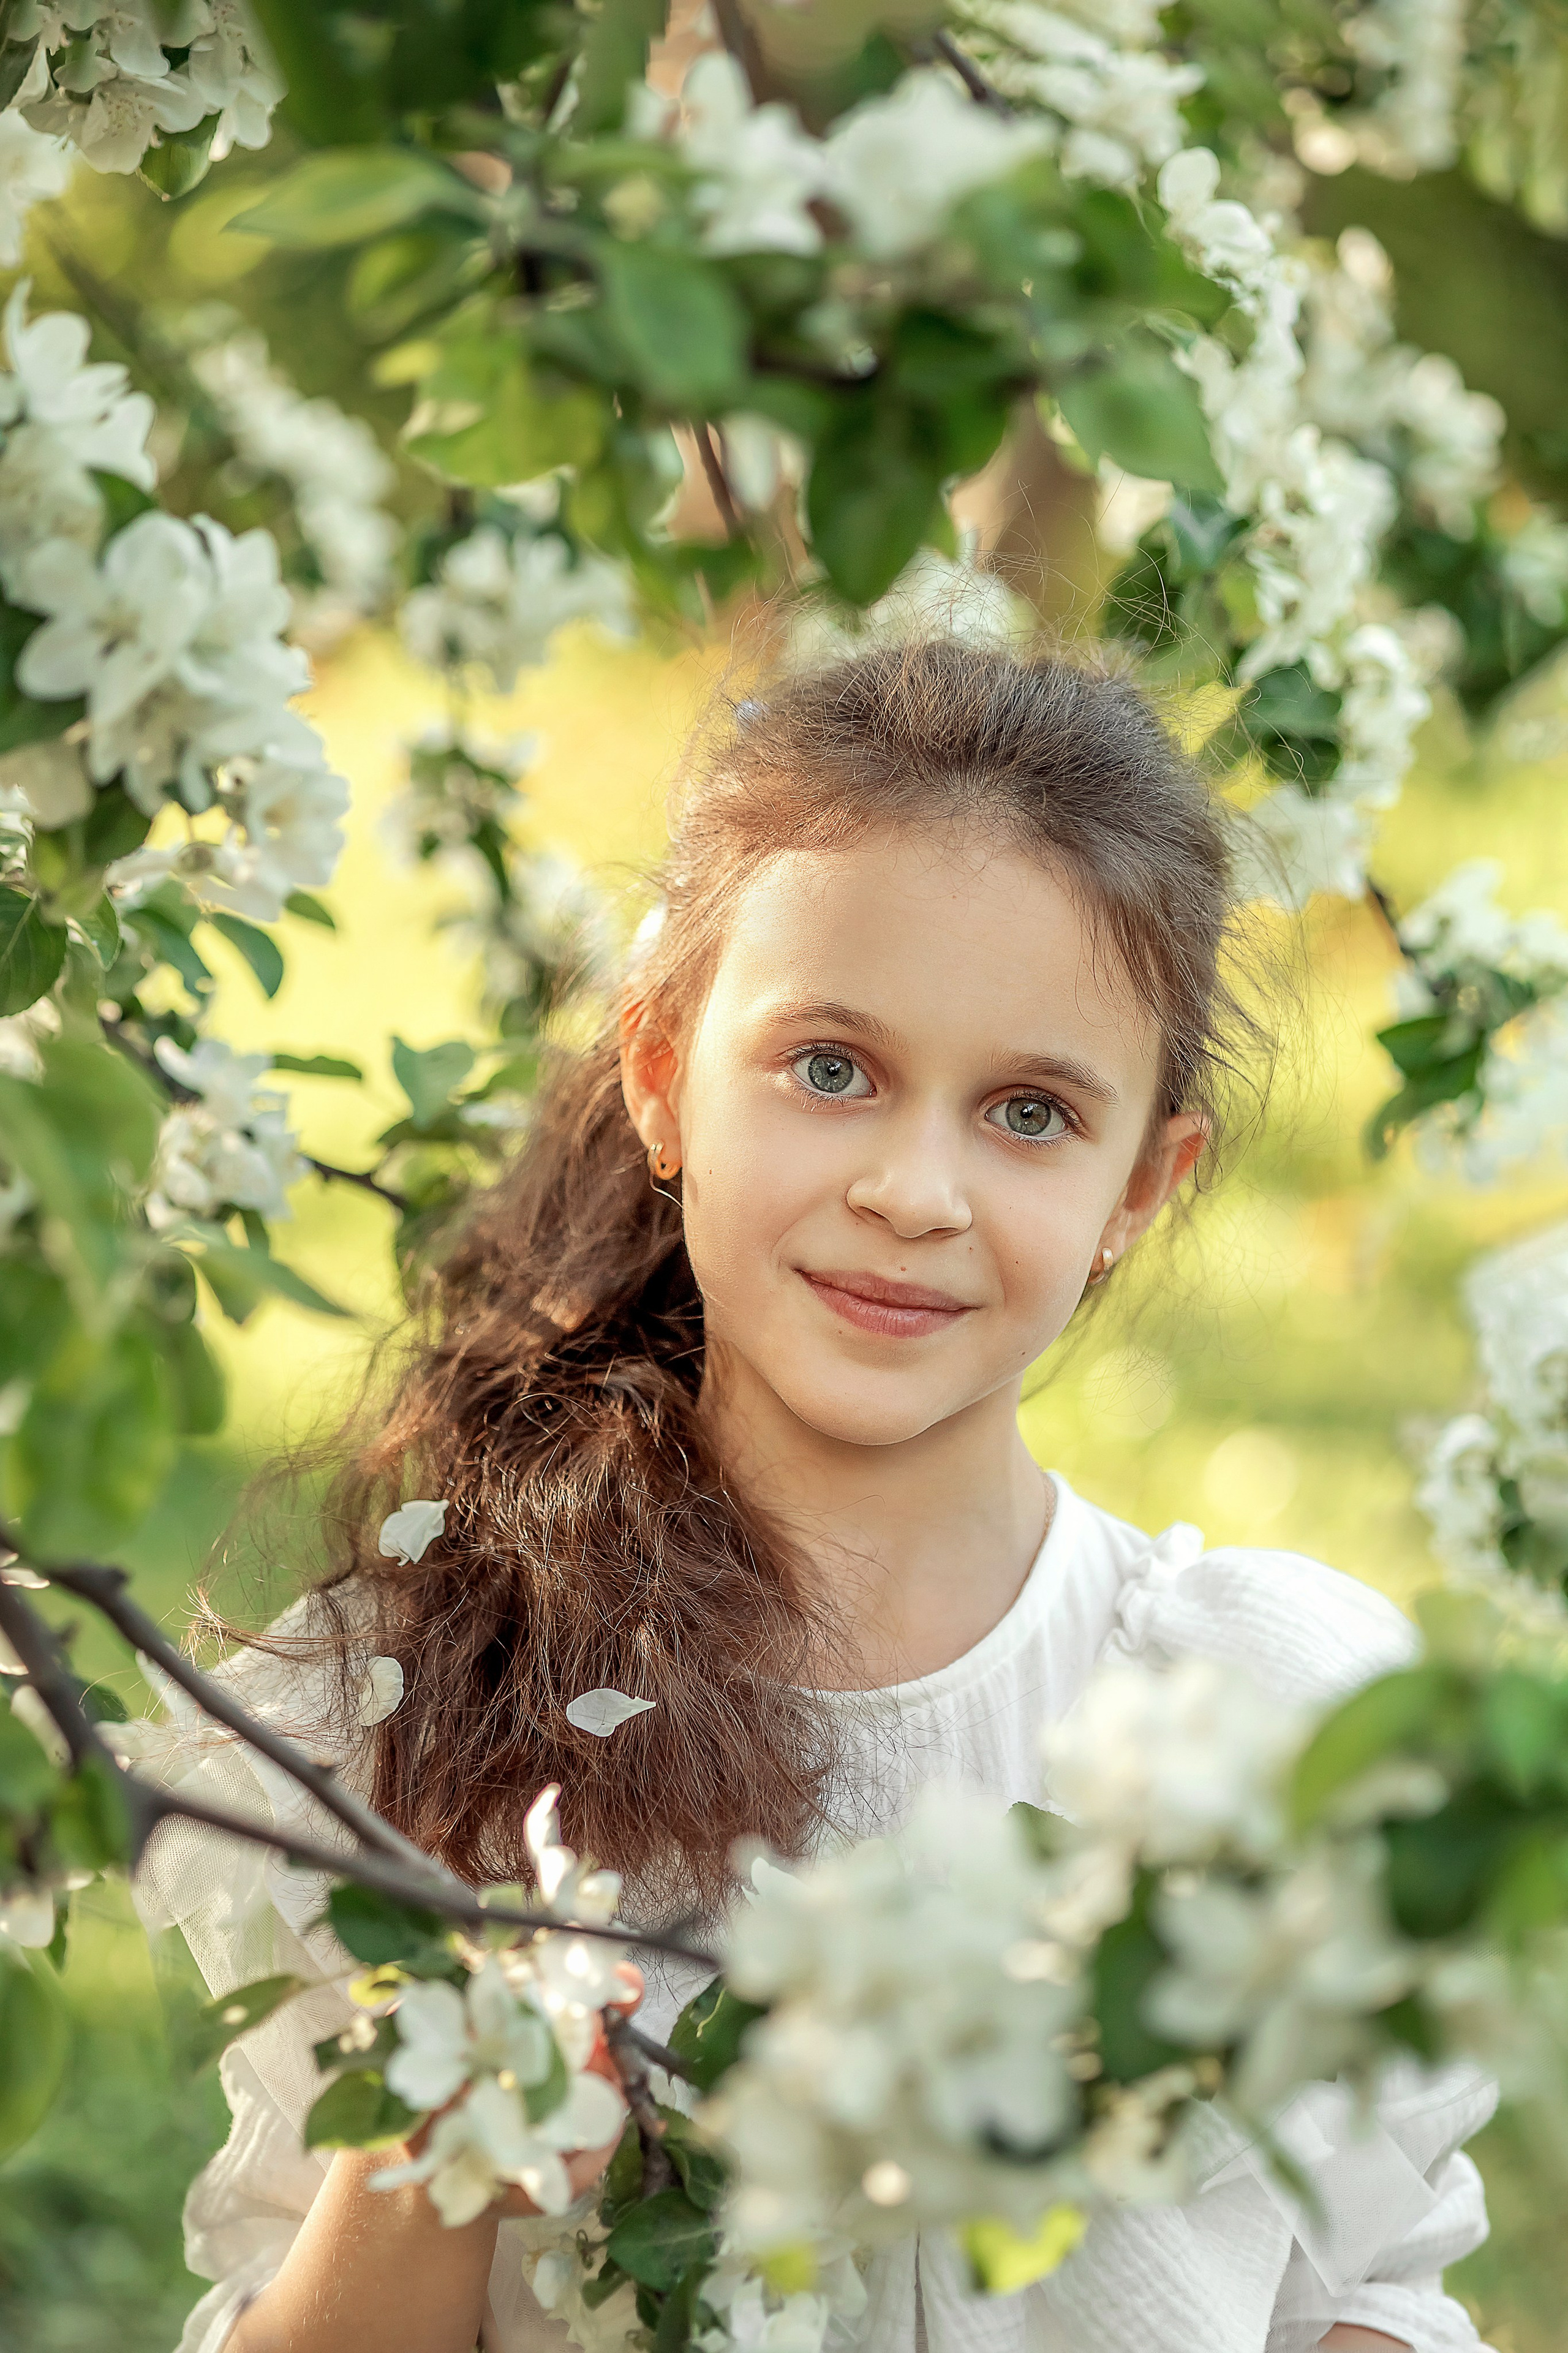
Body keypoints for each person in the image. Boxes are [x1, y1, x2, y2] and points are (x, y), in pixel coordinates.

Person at [135, 639, 1495, 2353]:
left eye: (1027, 1110)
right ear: (660, 1072)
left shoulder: (1270, 1723)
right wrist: (450, 2125)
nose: (913, 1189)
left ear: (1147, 1183)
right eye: (832, 1067)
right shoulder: (425, 1707)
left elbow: (1368, 2291)